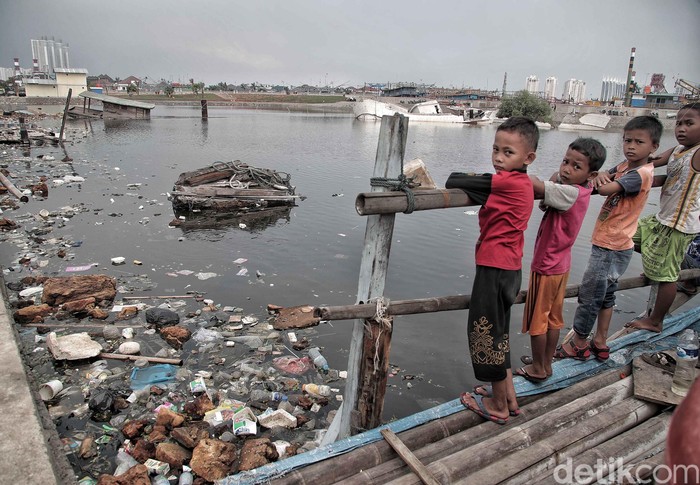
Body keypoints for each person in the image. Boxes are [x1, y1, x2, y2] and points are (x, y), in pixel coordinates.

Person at [445, 116, 538, 424]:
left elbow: (454, 179)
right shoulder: (523, 182)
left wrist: (478, 179)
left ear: (528, 158)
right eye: (495, 149)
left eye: (507, 152)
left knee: (484, 335)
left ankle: (498, 406)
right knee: (498, 332)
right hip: (509, 268)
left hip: (493, 267)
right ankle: (508, 397)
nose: (498, 158)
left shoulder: (505, 182)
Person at [556, 116, 662, 360]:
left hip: (610, 245)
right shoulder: (626, 167)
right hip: (619, 243)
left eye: (638, 142)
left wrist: (599, 178)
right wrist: (603, 173)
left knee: (591, 294)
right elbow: (605, 175)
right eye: (627, 140)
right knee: (606, 295)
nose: (631, 146)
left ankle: (579, 342)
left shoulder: (640, 174)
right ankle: (601, 340)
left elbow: (602, 188)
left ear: (653, 147)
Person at [515, 138, 606, 382]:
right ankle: (546, 365)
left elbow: (535, 184)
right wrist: (561, 175)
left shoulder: (568, 193)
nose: (566, 169)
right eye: (566, 161)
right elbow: (554, 181)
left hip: (546, 266)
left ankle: (537, 368)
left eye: (576, 166)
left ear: (591, 174)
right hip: (561, 264)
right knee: (553, 320)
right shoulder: (582, 190)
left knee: (538, 321)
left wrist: (512, 172)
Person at [625, 102, 700, 332]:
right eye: (678, 123)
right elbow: (650, 162)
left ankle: (655, 321)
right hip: (661, 219)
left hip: (677, 225)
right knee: (625, 236)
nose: (681, 128)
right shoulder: (678, 150)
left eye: (689, 123)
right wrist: (615, 175)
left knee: (666, 277)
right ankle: (658, 263)